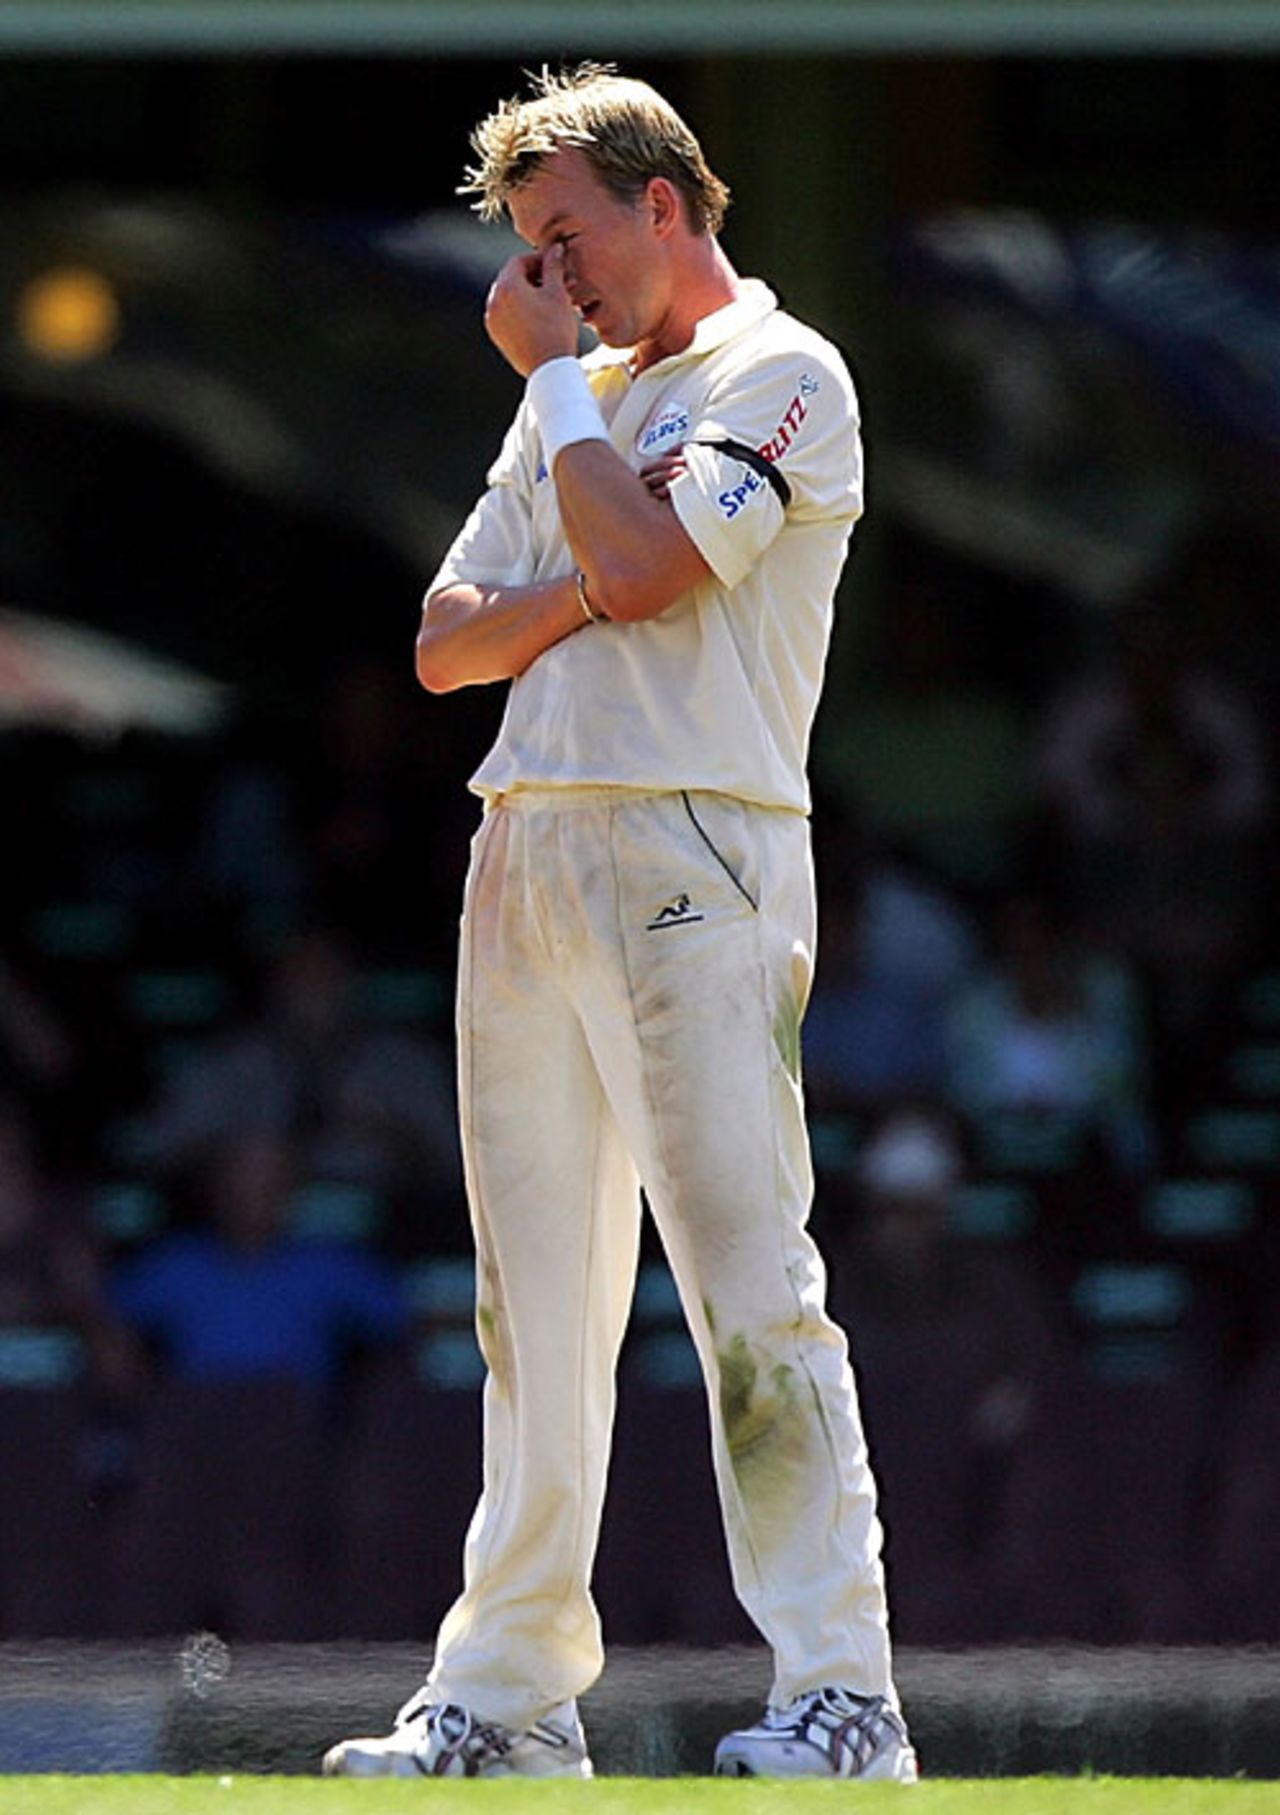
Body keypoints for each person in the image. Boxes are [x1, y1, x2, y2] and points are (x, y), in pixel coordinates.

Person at [324, 64, 916, 1784]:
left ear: (666, 203)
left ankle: (844, 1696)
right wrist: (593, 555)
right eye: (528, 247)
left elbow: (654, 575)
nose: (548, 280)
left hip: (697, 848)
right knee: (532, 1316)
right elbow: (446, 644)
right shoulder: (575, 399)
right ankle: (506, 1703)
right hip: (527, 843)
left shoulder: (784, 374)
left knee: (751, 1293)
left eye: (567, 237)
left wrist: (576, 505)